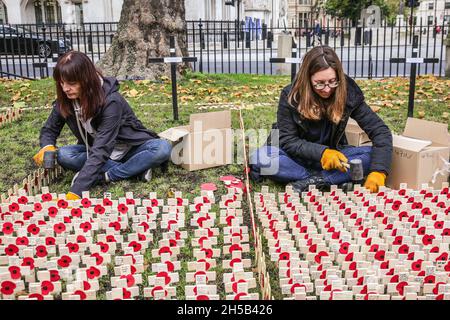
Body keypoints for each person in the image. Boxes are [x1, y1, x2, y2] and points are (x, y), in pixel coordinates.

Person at [250, 45, 393, 193]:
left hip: (335, 159)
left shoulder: (348, 91)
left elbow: (380, 131)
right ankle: (327, 179)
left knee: (370, 155)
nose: (327, 89)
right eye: (319, 83)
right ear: (307, 79)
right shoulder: (290, 94)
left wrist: (379, 171)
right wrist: (322, 153)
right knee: (261, 157)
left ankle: (315, 180)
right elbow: (287, 140)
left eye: (333, 81)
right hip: (294, 158)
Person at [32, 51, 172, 200]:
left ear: (86, 80)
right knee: (64, 154)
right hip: (97, 152)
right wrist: (46, 146)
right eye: (62, 82)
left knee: (162, 148)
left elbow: (102, 148)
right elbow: (50, 129)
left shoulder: (111, 101)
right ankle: (135, 169)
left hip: (129, 148)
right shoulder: (66, 99)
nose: (65, 88)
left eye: (71, 83)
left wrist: (77, 190)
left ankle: (108, 175)